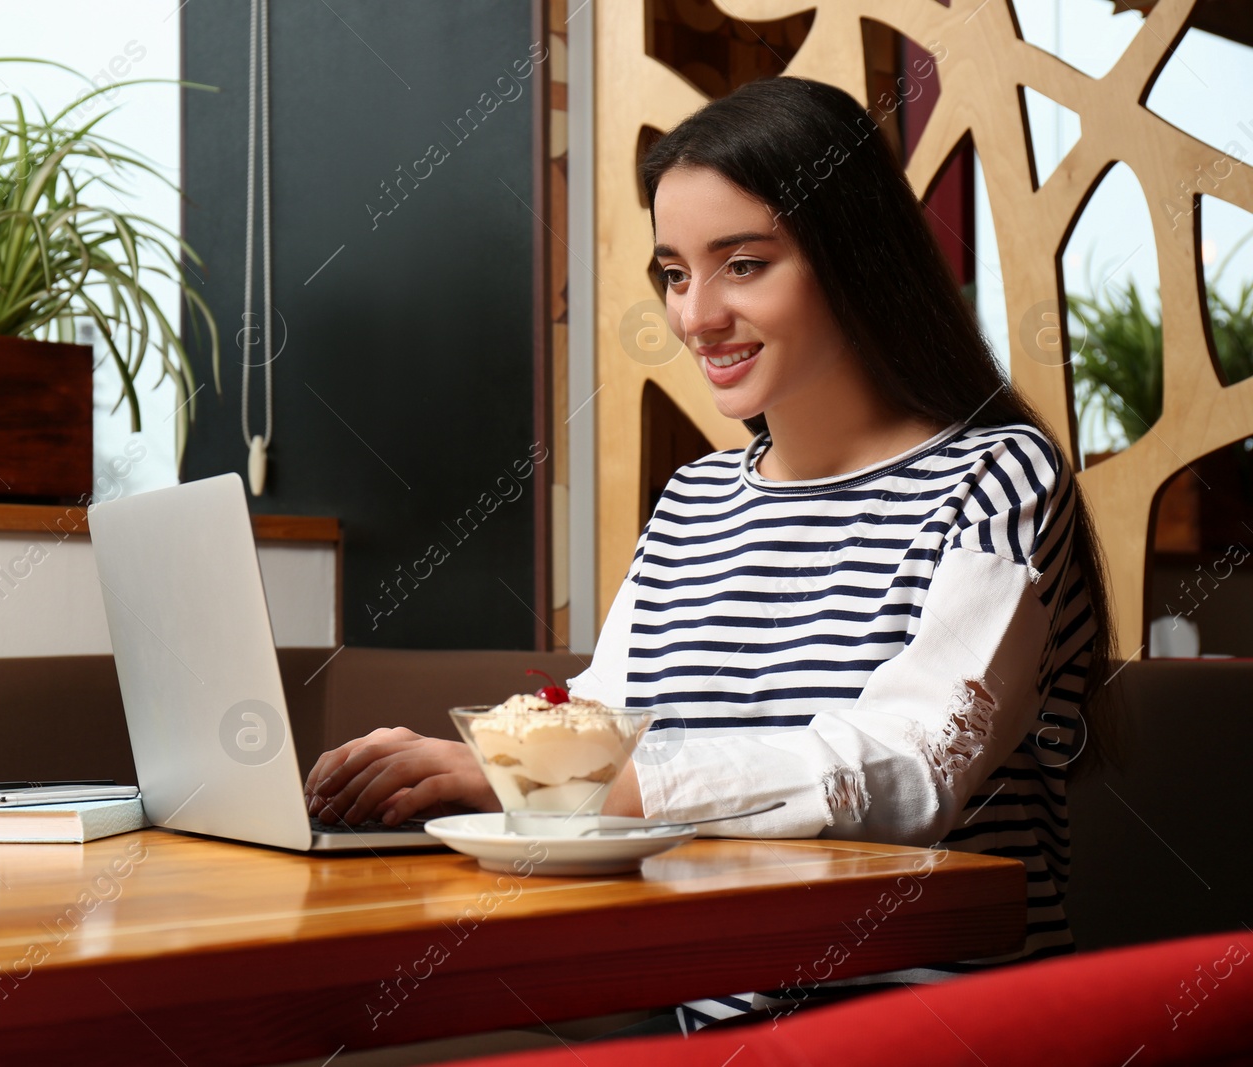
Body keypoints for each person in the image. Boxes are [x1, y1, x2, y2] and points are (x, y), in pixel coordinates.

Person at [304, 75, 1118, 1033]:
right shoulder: (694, 500)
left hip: (933, 1026)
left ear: (855, 257)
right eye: (676, 273)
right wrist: (461, 765)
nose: (695, 316)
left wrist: (539, 782)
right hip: (706, 1019)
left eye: (743, 264)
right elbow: (600, 725)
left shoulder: (999, 476)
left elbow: (909, 768)